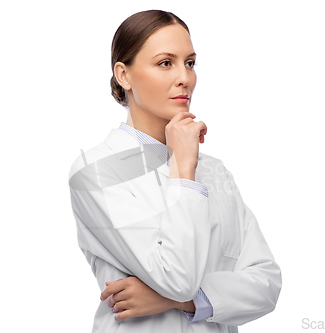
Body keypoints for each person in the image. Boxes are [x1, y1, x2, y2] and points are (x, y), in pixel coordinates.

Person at [68, 9, 282, 333]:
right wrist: (183, 170)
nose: (185, 77)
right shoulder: (95, 172)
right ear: (124, 75)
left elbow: (266, 283)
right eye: (165, 63)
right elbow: (178, 277)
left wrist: (184, 302)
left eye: (190, 62)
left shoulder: (213, 171)